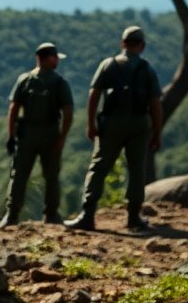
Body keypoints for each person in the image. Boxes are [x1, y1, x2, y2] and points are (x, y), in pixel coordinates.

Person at [65, 26, 164, 232]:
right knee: (137, 169)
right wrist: (157, 132)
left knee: (99, 167)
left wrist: (90, 123)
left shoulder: (108, 65)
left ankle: (87, 215)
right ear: (142, 46)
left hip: (111, 124)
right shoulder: (147, 70)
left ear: (122, 43)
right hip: (139, 125)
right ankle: (134, 217)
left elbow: (94, 94)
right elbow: (155, 104)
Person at [0, 42, 74, 226]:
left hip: (26, 134)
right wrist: (62, 137)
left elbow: (13, 109)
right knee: (51, 175)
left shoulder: (24, 80)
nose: (57, 61)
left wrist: (11, 135)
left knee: (19, 174)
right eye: (55, 58)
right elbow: (68, 112)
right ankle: (51, 214)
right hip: (50, 133)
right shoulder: (59, 82)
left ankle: (12, 215)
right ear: (49, 58)